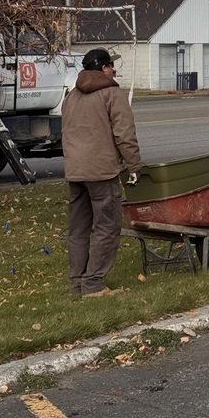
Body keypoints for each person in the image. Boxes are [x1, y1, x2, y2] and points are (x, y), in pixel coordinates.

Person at [61, 48, 142, 298]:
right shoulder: (112, 93)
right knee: (107, 227)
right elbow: (124, 134)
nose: (114, 71)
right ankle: (94, 284)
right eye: (112, 67)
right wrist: (135, 165)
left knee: (78, 229)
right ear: (104, 68)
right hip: (101, 171)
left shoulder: (72, 95)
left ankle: (77, 283)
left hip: (75, 171)